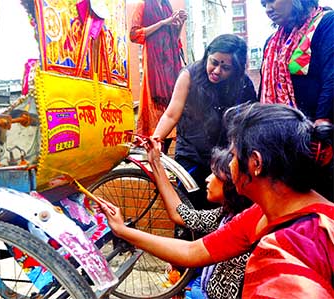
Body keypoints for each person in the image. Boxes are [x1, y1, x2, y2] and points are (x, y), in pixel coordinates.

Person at [100, 103, 334, 298]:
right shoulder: (263, 213)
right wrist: (122, 230)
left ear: (255, 163)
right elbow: (193, 251)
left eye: (233, 155)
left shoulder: (291, 248)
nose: (229, 165)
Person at [152, 34, 257, 210]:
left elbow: (250, 121)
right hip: (190, 154)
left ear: (236, 70)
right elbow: (171, 114)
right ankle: (186, 237)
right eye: (214, 62)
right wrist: (156, 138)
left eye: (225, 68)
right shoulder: (189, 75)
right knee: (188, 205)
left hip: (224, 157)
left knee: (221, 208)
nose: (216, 71)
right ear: (207, 54)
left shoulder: (242, 84)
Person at [146, 142, 252, 299]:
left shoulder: (242, 227)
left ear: (231, 181)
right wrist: (156, 163)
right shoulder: (226, 214)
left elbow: (190, 252)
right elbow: (182, 215)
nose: (208, 179)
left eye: (215, 174)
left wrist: (123, 232)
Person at [259, 0, 334, 201]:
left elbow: (332, 76)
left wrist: (323, 122)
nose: (267, 9)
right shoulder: (273, 42)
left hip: (320, 142)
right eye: (263, 3)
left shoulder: (327, 24)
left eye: (271, 1)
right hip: (285, 146)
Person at [130, 0, 187, 154]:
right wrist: (163, 23)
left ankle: (163, 158)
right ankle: (155, 156)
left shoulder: (167, 6)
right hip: (153, 67)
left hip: (171, 66)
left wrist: (179, 23)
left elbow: (175, 40)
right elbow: (134, 34)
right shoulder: (142, 5)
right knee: (155, 111)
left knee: (172, 110)